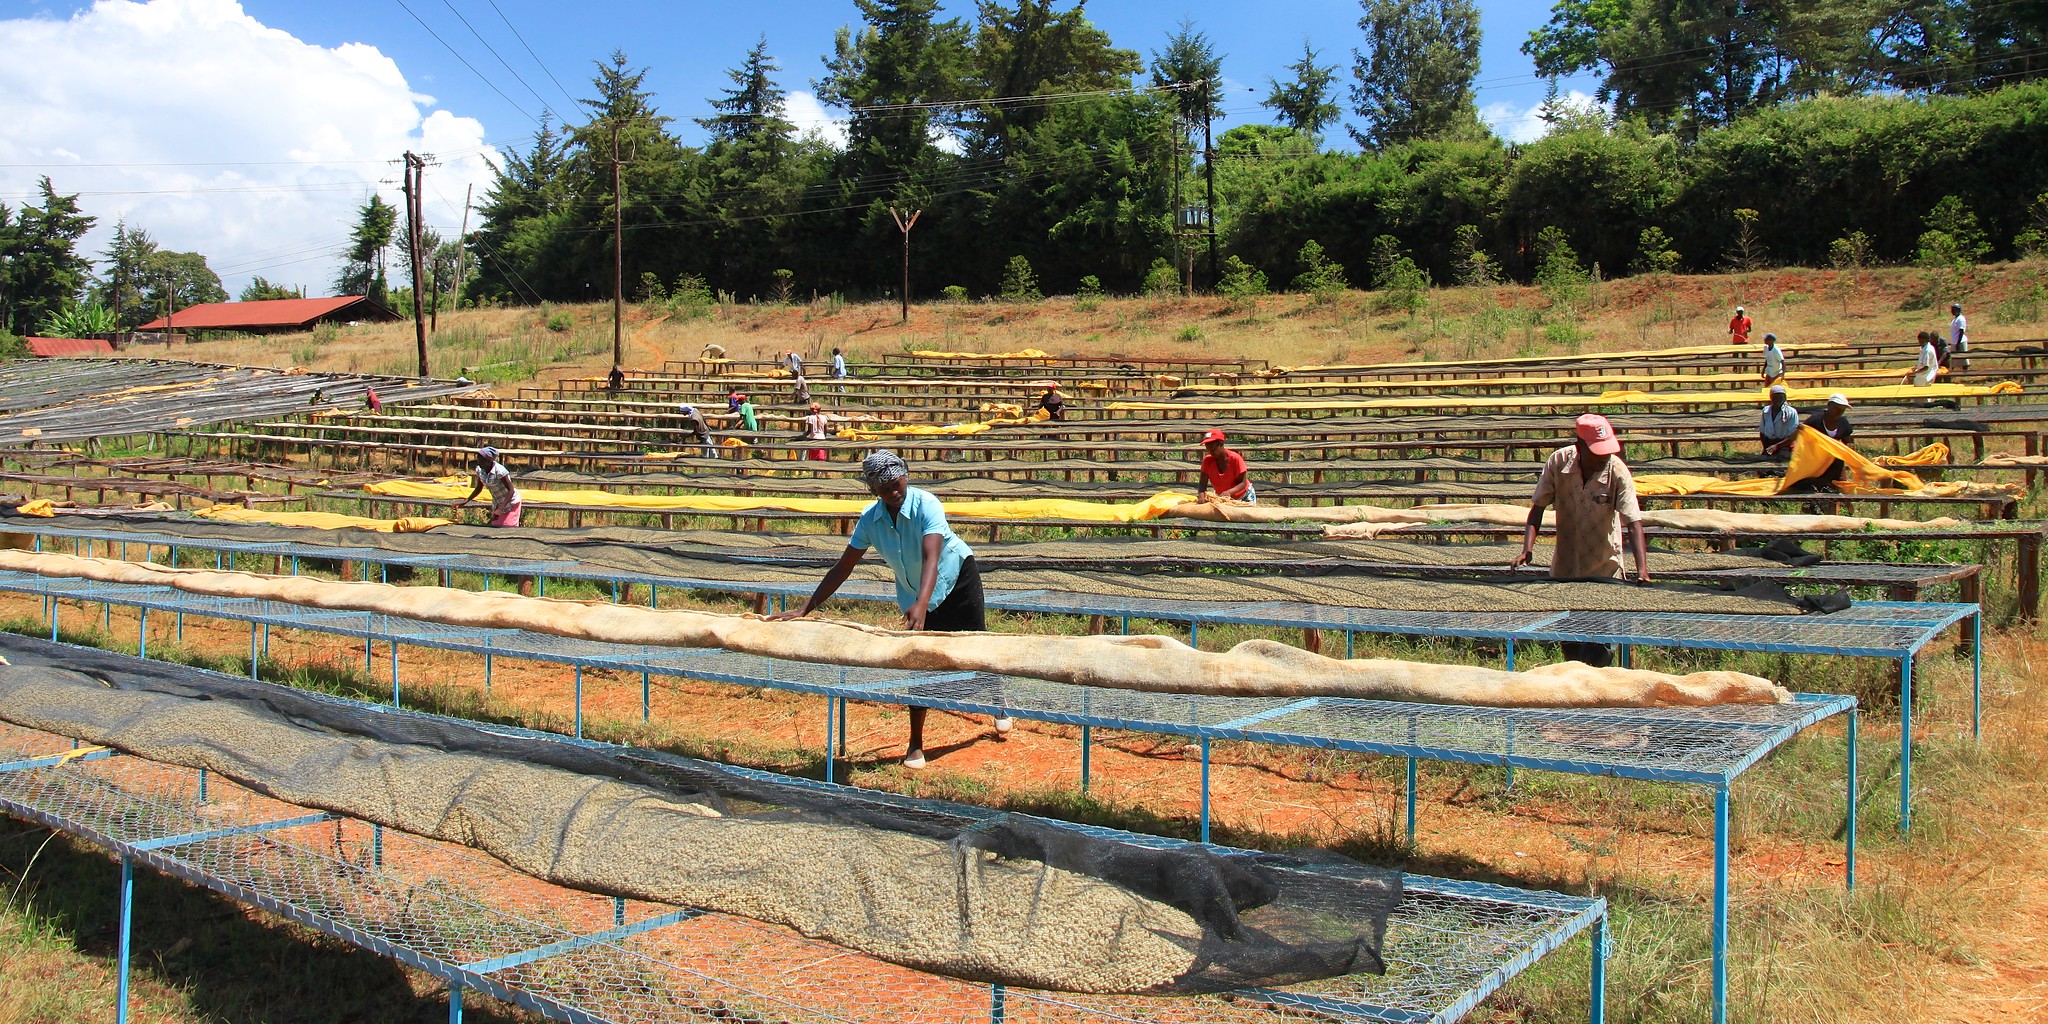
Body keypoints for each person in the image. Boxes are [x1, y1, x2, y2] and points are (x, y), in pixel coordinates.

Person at [768, 451, 1011, 768]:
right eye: (884, 488)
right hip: (916, 594)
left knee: (977, 647)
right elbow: (843, 567)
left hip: (957, 578)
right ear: (874, 491)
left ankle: (999, 703)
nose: (894, 492)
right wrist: (804, 610)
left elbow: (932, 557)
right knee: (918, 662)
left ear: (906, 476)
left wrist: (921, 605)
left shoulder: (927, 504)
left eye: (897, 483)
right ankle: (916, 745)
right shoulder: (871, 520)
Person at [1510, 415, 1650, 668]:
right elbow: (1538, 508)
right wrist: (1526, 550)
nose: (1603, 457)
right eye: (1597, 452)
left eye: (1606, 451)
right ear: (1579, 445)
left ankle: (1600, 693)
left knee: (1600, 644)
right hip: (1566, 568)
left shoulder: (1616, 472)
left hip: (1603, 567)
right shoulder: (1558, 463)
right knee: (1571, 644)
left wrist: (1642, 570)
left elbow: (1633, 522)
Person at [456, 446, 522, 527]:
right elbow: (479, 487)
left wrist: (500, 509)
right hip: (497, 503)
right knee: (495, 529)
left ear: (489, 461)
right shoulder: (480, 470)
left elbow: (511, 490)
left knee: (507, 529)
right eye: (478, 459)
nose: (479, 462)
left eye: (482, 460)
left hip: (510, 503)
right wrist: (466, 500)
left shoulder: (500, 471)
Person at [1197, 428, 1254, 503]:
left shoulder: (1235, 459)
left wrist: (1229, 492)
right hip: (1223, 498)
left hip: (1243, 496)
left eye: (1213, 449)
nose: (1210, 452)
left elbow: (1243, 483)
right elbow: (1202, 484)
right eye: (1208, 449)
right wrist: (1201, 495)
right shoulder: (1207, 461)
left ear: (1221, 444)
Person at [1759, 384, 1799, 457]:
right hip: (1770, 445)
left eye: (1781, 397)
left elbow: (1793, 435)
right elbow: (1762, 432)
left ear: (1785, 398)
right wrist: (1766, 447)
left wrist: (1777, 446)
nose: (1778, 399)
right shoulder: (1766, 411)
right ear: (1771, 398)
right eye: (1776, 397)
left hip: (1785, 446)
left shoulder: (1791, 412)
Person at [1949, 302, 1969, 371]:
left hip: (1960, 341)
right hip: (1955, 341)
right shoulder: (1955, 319)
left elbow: (1961, 331)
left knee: (1963, 358)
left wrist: (1958, 343)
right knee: (1954, 358)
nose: (1951, 311)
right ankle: (1953, 371)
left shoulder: (1961, 319)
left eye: (1953, 310)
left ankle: (1965, 372)